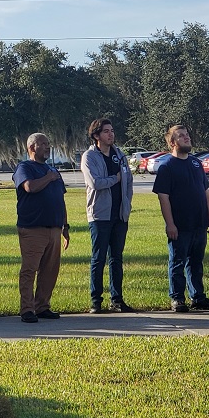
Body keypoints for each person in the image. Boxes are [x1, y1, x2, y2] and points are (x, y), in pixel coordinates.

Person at [153, 124, 209, 313]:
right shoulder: (167, 167)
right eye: (181, 136)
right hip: (180, 225)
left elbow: (205, 191)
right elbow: (163, 197)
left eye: (187, 134)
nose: (187, 138)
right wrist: (170, 224)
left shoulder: (195, 163)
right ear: (173, 142)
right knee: (177, 262)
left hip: (199, 223)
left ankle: (198, 297)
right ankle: (177, 298)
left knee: (196, 262)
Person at [13, 133, 70, 323]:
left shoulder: (53, 170)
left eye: (48, 143)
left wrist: (65, 226)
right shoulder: (24, 167)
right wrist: (49, 177)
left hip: (54, 227)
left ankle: (42, 306)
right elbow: (30, 187)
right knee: (30, 269)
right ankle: (27, 309)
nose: (48, 147)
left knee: (50, 270)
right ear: (32, 148)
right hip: (32, 228)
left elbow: (60, 199)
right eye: (43, 144)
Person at [81, 118, 134, 314]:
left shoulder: (119, 156)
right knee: (99, 258)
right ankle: (96, 301)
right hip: (100, 215)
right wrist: (116, 178)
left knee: (116, 258)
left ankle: (117, 299)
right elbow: (95, 183)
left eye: (112, 131)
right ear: (96, 136)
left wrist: (127, 202)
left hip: (119, 215)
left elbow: (129, 181)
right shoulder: (90, 157)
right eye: (106, 131)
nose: (111, 134)